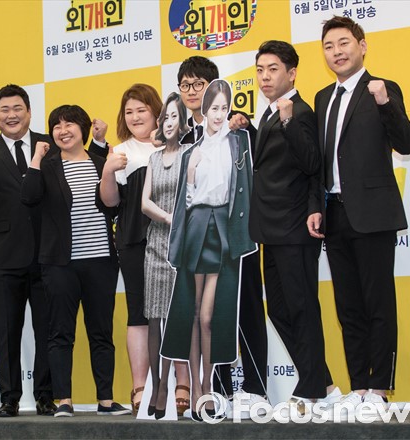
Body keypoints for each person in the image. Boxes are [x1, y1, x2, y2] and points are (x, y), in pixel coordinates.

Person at [0, 84, 108, 418]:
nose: (11, 115)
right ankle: (9, 397)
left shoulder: (51, 144)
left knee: (48, 328)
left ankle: (46, 396)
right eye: (4, 110)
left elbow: (88, 167)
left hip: (49, 253)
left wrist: (99, 142)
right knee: (6, 331)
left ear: (29, 112)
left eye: (18, 108)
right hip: (5, 256)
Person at [312, 16, 410, 410]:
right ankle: (358, 388)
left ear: (362, 46)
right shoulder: (322, 98)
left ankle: (379, 388)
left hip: (372, 214)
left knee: (378, 304)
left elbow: (407, 142)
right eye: (329, 46)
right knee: (348, 307)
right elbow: (320, 161)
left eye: (344, 43)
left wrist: (385, 102)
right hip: (334, 214)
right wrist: (316, 207)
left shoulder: (383, 88)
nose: (337, 52)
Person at [21, 104, 130, 418]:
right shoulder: (48, 165)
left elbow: (114, 205)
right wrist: (36, 158)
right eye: (56, 125)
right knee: (60, 333)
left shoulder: (101, 163)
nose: (62, 130)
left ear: (83, 129)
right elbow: (28, 196)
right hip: (59, 263)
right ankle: (64, 400)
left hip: (101, 261)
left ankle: (106, 400)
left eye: (69, 124)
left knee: (101, 332)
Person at [249, 40, 336, 413]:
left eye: (273, 69)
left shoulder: (299, 111)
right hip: (270, 229)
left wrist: (287, 120)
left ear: (292, 73)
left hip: (296, 226)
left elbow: (313, 163)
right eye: (260, 70)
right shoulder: (269, 113)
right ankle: (323, 383)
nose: (265, 77)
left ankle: (312, 388)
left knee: (301, 308)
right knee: (280, 311)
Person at [161, 80, 256, 421]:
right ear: (204, 110)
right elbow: (185, 203)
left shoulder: (238, 143)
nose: (218, 115)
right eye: (214, 108)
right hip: (196, 228)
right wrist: (189, 173)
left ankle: (208, 383)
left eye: (224, 109)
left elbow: (245, 187)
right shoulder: (191, 152)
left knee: (208, 317)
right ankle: (198, 392)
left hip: (223, 232)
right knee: (190, 313)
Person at [178, 57, 268, 413]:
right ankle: (219, 390)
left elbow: (260, 162)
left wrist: (246, 126)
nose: (192, 91)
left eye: (199, 84)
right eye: (185, 85)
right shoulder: (182, 136)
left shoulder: (237, 128)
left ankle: (256, 389)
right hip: (198, 238)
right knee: (206, 316)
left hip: (237, 234)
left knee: (246, 309)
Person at [98, 83, 180, 416]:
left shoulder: (177, 145)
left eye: (141, 110)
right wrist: (107, 170)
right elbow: (110, 203)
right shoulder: (121, 151)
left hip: (174, 239)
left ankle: (180, 385)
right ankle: (140, 387)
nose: (134, 117)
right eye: (128, 111)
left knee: (176, 310)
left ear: (157, 112)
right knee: (139, 312)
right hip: (134, 240)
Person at [139, 92, 190, 419]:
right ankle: (157, 384)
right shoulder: (154, 158)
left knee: (175, 318)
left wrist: (179, 222)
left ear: (183, 122)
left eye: (175, 116)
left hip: (182, 245)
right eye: (166, 117)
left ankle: (169, 385)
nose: (169, 122)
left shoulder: (191, 154)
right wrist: (170, 218)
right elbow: (145, 203)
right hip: (157, 243)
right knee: (154, 318)